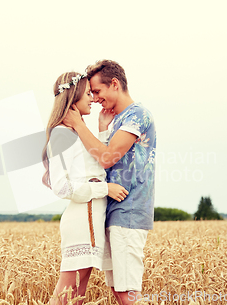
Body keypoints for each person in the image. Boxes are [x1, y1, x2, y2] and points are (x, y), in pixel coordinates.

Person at [62, 60, 156, 305]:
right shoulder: (119, 120)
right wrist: (103, 129)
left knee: (128, 292)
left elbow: (106, 158)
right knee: (119, 290)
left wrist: (79, 125)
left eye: (97, 91)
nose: (94, 98)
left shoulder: (137, 115)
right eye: (91, 93)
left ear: (114, 84)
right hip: (114, 212)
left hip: (129, 212)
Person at [42, 71, 129, 305]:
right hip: (83, 218)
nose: (92, 98)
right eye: (88, 93)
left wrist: (101, 129)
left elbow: (96, 165)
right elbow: (61, 186)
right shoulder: (62, 134)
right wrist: (105, 189)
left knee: (76, 295)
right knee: (66, 294)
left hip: (91, 217)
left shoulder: (74, 133)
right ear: (74, 96)